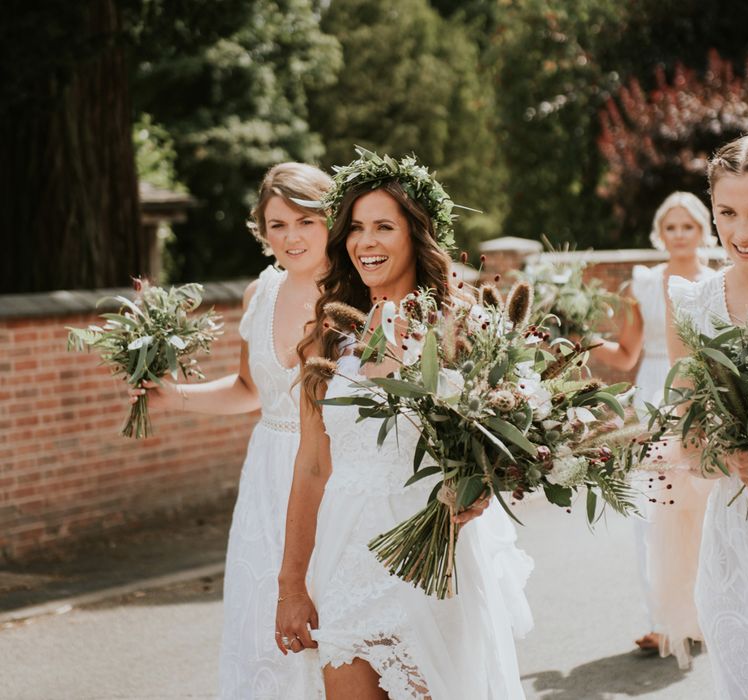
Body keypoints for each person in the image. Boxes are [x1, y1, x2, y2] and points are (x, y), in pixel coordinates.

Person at [274, 151, 533, 700]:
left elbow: (500, 440)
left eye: (384, 227)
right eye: (356, 229)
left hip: (433, 556)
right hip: (346, 552)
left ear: (417, 235)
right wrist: (291, 586)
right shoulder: (328, 339)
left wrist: (479, 487)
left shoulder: (463, 326)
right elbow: (313, 465)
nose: (365, 242)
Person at [129, 163, 331, 699]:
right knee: (264, 623)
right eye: (277, 224)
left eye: (306, 221)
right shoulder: (259, 294)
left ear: (331, 221)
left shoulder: (356, 292)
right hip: (267, 476)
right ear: (261, 231)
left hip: (332, 474)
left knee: (329, 619)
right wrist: (171, 395)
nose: (291, 236)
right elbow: (249, 389)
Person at [590, 192, 717, 665]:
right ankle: (661, 621)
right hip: (651, 401)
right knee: (651, 513)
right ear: (659, 234)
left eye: (688, 226)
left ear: (703, 230)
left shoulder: (718, 283)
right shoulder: (641, 285)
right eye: (671, 227)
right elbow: (625, 354)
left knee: (704, 510)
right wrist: (583, 341)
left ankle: (704, 612)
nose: (680, 235)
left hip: (702, 400)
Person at [667, 132, 748, 698]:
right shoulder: (694, 303)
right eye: (727, 212)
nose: (742, 231)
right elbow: (683, 423)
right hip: (734, 535)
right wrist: (724, 449)